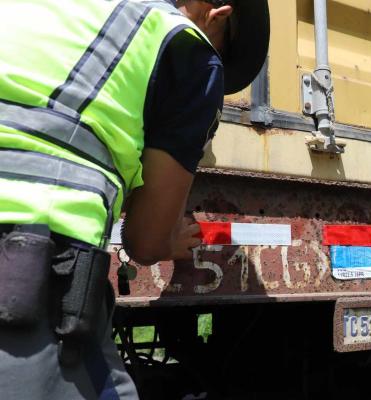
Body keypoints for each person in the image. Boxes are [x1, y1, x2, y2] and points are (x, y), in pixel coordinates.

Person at [0, 0, 269, 398]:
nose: (216, 58)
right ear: (218, 14)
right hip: (26, 271)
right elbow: (143, 242)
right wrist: (169, 240)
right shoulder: (186, 47)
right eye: (222, 49)